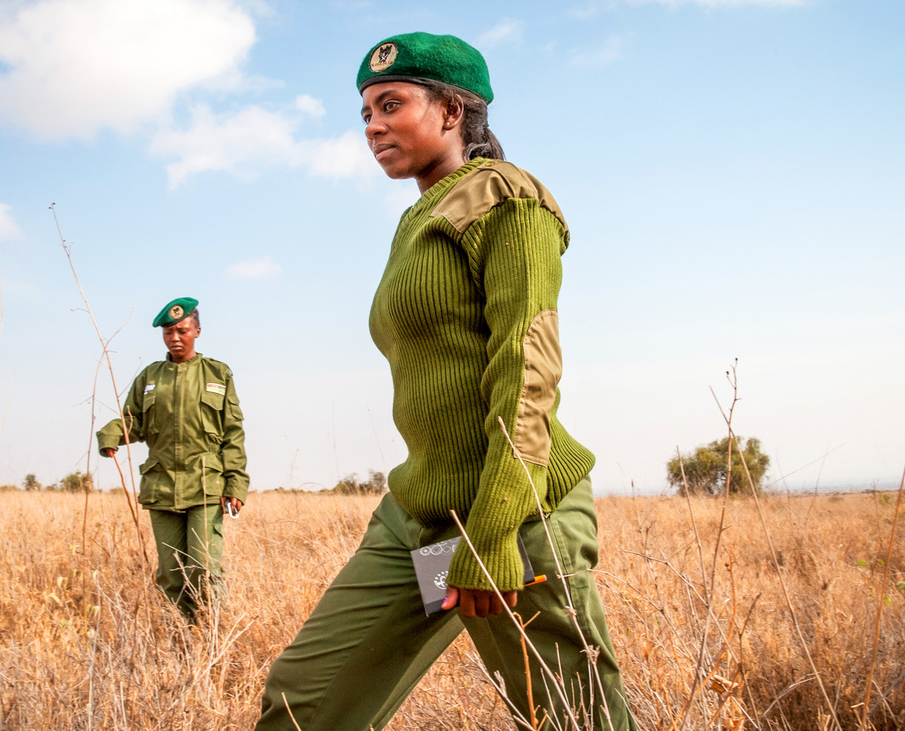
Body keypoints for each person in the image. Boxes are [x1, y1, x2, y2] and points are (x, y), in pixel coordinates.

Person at [254, 33, 635, 729]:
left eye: (390, 104)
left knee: (574, 718)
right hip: (423, 522)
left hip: (510, 520)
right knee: (304, 698)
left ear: (453, 111)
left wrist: (491, 532)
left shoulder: (508, 200)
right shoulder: (416, 221)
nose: (372, 125)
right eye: (364, 112)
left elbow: (527, 370)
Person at [97, 297, 248, 621]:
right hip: (162, 486)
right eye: (168, 332)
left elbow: (232, 432)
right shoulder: (150, 377)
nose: (175, 337)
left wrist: (235, 483)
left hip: (205, 485)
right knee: (170, 574)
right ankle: (180, 638)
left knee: (204, 568)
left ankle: (210, 639)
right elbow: (132, 420)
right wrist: (111, 436)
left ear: (197, 330)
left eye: (181, 330)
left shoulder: (217, 373)